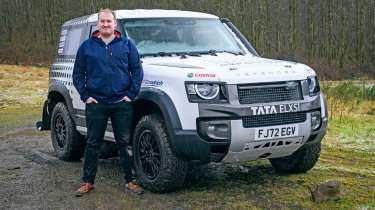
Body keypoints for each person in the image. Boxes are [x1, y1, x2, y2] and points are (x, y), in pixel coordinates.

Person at [72, 8, 144, 196]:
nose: (105, 24)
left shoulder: (127, 45)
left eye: (108, 21)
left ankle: (130, 181)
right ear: (98, 24)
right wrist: (85, 95)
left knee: (124, 142)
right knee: (93, 143)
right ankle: (88, 182)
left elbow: (137, 71)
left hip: (122, 103)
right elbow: (78, 74)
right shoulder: (86, 47)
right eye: (102, 21)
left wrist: (131, 94)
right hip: (96, 103)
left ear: (115, 23)